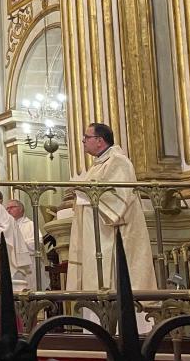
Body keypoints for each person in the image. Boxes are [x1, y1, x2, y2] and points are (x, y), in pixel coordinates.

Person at [66, 122, 155, 295]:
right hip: (97, 234)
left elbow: (118, 198)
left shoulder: (119, 161)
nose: (83, 141)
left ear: (99, 140)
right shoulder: (98, 165)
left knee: (115, 280)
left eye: (86, 137)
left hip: (113, 235)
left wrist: (82, 191)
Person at [3, 198, 39, 291]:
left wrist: (18, 245)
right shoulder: (6, 227)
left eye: (12, 207)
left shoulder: (30, 225)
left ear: (21, 209)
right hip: (11, 265)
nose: (9, 210)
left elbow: (37, 243)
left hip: (29, 265)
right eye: (7, 208)